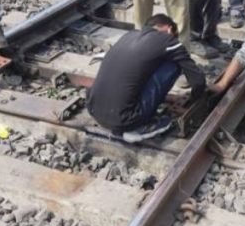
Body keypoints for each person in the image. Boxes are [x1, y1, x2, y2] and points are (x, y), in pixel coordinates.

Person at [87, 14, 206, 143]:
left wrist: (166, 97)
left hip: (93, 109)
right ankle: (140, 127)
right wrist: (194, 101)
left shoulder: (128, 36)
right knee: (174, 65)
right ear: (169, 29)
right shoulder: (168, 40)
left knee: (134, 68)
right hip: (126, 120)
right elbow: (198, 81)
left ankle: (128, 119)